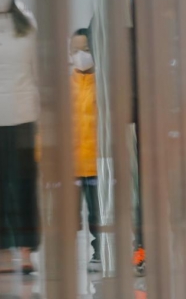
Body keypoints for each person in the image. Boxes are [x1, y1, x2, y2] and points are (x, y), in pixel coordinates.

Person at [0, 0, 40, 274]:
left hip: (24, 114)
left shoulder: (26, 23)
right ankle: (3, 252)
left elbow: (38, 69)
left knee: (24, 185)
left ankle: (26, 250)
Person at [69, 28, 103, 272]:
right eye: (75, 50)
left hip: (95, 161)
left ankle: (99, 251)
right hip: (70, 163)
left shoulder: (103, 83)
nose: (80, 55)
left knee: (96, 215)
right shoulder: (65, 84)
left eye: (86, 50)